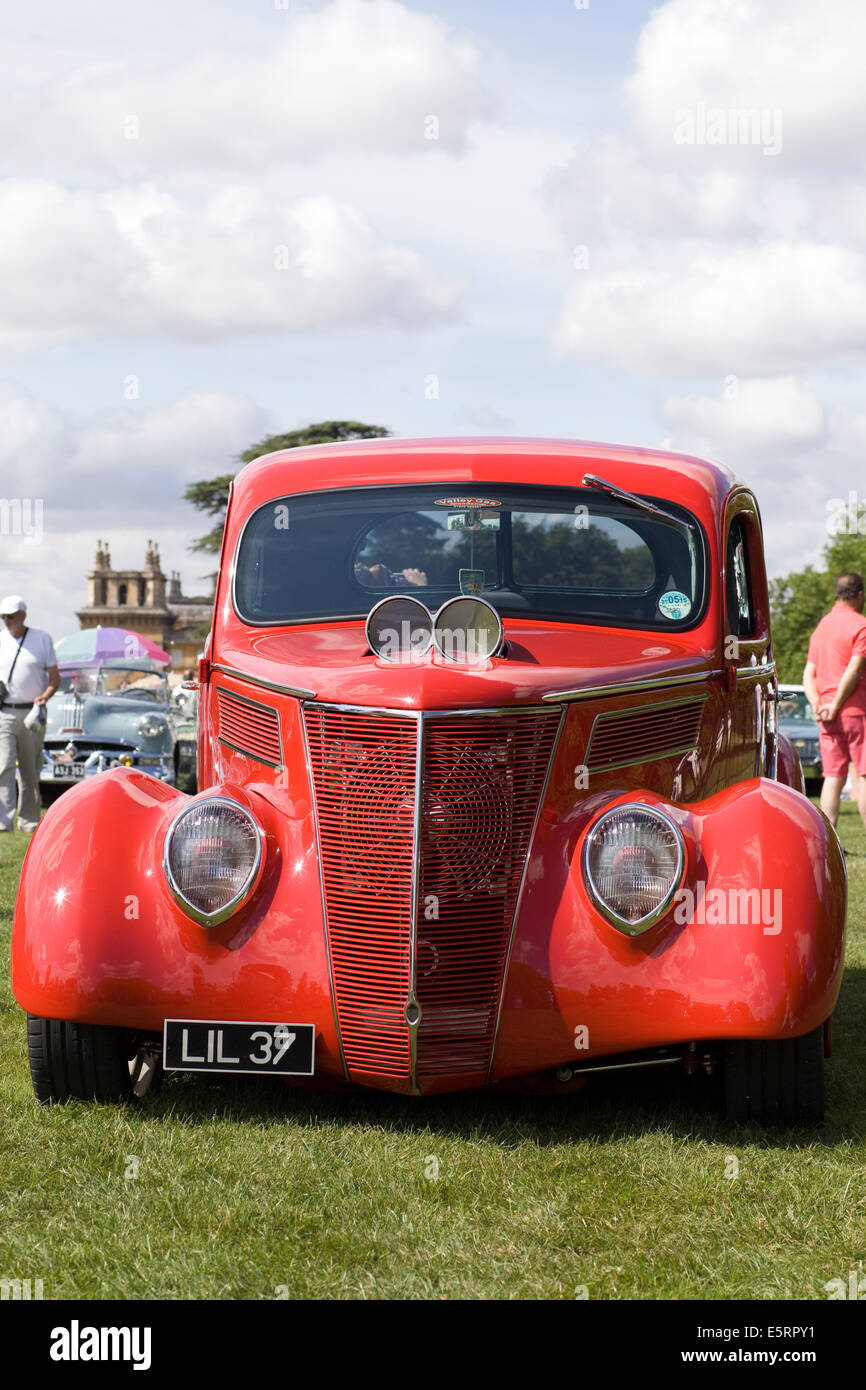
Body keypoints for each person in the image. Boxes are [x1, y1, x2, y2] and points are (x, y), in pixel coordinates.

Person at [803, 572, 866, 830]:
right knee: (863, 776)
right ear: (859, 595)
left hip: (826, 715)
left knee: (832, 778)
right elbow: (854, 670)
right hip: (854, 711)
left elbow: (809, 673)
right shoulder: (860, 625)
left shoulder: (821, 627)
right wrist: (838, 705)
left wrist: (819, 704)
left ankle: (829, 844)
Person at [0, 596, 60, 833]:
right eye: (3, 617)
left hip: (33, 713)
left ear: (22, 616)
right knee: (3, 765)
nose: (7, 620)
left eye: (11, 616)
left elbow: (55, 678)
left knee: (29, 770)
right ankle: (3, 821)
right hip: (4, 712)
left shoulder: (41, 639)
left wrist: (45, 696)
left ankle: (29, 820)